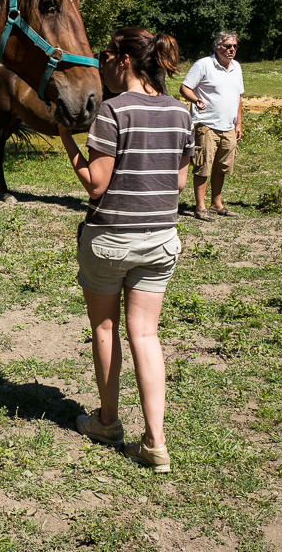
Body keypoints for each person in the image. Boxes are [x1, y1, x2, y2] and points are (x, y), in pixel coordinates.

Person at [58, 27, 193, 474]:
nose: (101, 66)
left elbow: (96, 184)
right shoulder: (180, 114)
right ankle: (156, 442)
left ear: (124, 61)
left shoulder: (114, 111)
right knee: (146, 334)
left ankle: (108, 421)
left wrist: (67, 140)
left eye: (104, 57)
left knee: (106, 328)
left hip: (111, 239)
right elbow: (176, 183)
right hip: (160, 240)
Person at [180, 31, 244, 222]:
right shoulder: (204, 64)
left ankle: (217, 204)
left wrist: (238, 123)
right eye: (227, 46)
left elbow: (239, 95)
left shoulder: (237, 67)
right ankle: (200, 208)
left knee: (222, 167)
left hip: (228, 126)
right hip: (206, 125)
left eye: (234, 46)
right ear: (217, 47)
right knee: (203, 166)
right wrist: (195, 99)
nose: (231, 49)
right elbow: (185, 87)